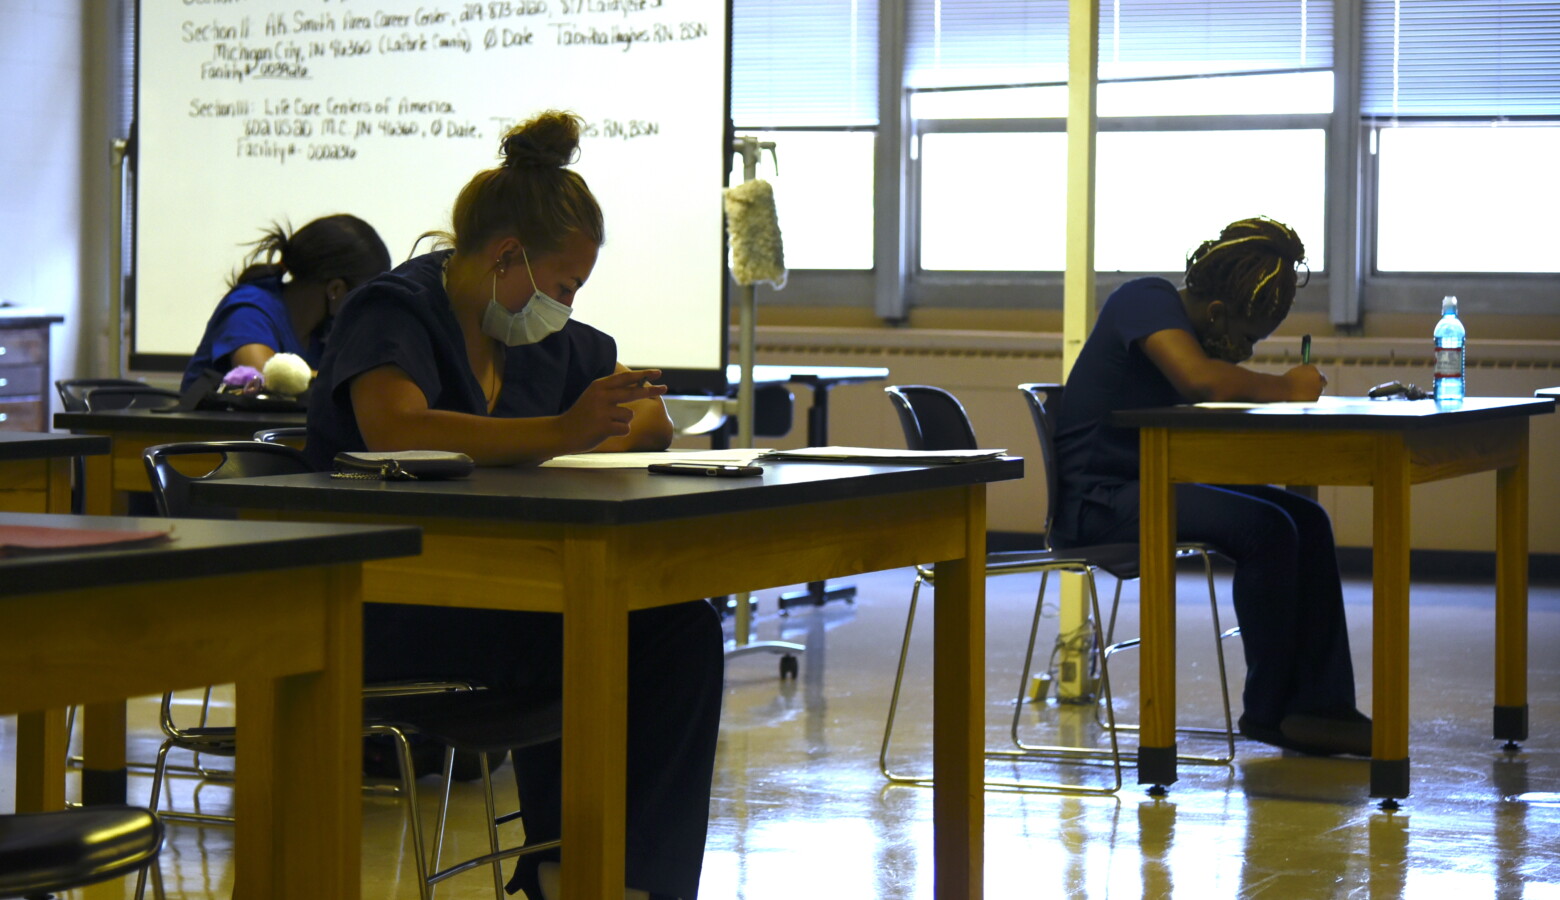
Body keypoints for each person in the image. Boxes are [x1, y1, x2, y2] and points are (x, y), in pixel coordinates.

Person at [306, 110, 719, 900]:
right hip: (384, 602)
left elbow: (648, 412)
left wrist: (575, 445)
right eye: (564, 286)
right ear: (505, 258)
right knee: (595, 627)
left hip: (497, 598)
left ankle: (622, 882)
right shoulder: (393, 310)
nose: (565, 305)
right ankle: (570, 875)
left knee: (677, 624)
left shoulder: (535, 337)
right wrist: (558, 431)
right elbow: (394, 425)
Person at [1051, 216, 1370, 757]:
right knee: (1266, 527)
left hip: (1146, 485)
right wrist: (1286, 387)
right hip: (1100, 502)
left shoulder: (1191, 330)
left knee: (1307, 519)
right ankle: (1272, 713)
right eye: (1246, 337)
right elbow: (1197, 379)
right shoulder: (1145, 300)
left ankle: (1321, 705)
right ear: (1218, 310)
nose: (1245, 352)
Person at [180, 214, 391, 391]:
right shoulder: (249, 309)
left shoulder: (326, 329)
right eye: (367, 294)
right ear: (335, 289)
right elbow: (265, 377)